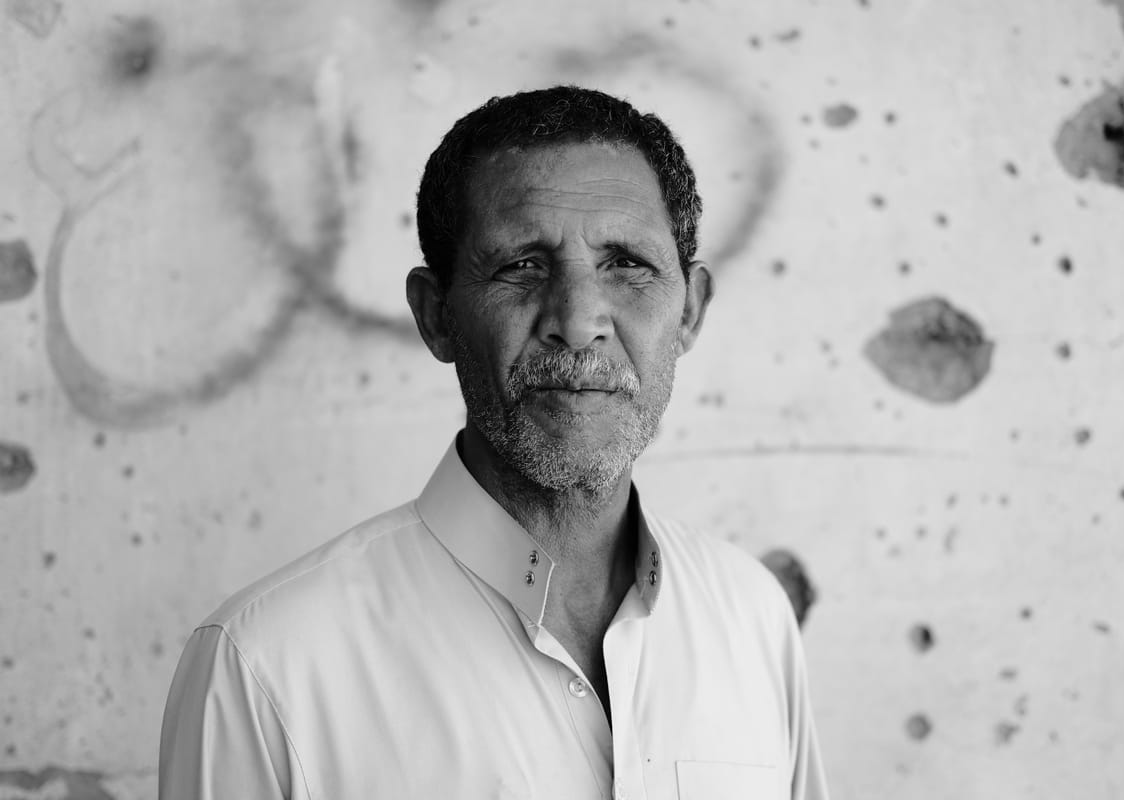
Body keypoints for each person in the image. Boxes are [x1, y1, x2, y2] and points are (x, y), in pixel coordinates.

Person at [159, 85, 828, 800]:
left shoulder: (752, 617)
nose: (578, 322)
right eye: (521, 266)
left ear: (689, 310)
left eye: (627, 264)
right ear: (436, 316)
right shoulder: (266, 666)